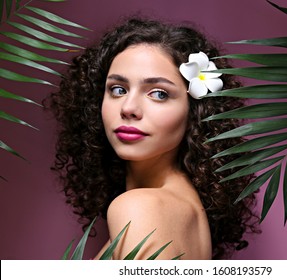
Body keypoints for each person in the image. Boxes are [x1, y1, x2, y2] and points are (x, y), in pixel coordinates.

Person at [45, 16, 259, 260]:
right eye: (118, 89)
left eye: (159, 93)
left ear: (195, 112)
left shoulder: (142, 208)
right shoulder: (181, 209)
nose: (128, 107)